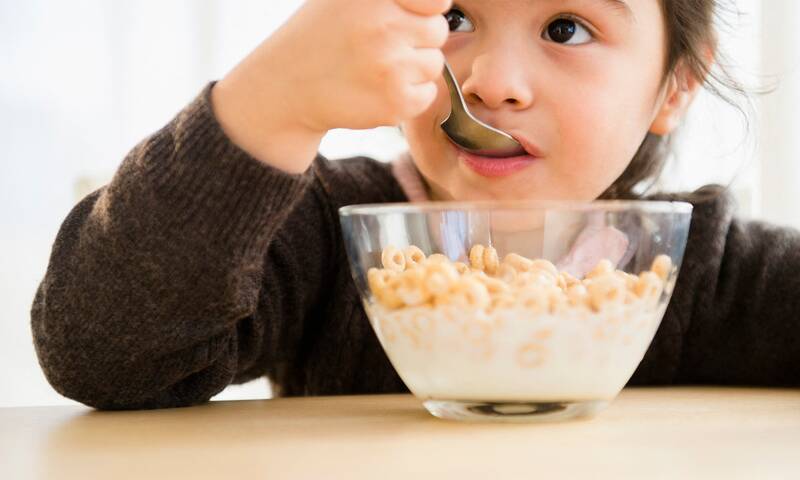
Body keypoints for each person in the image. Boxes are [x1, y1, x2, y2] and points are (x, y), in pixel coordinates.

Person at [31, 0, 800, 410]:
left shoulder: (695, 271)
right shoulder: (322, 231)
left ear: (677, 84)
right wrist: (270, 102)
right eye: (454, 18)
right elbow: (103, 356)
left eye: (566, 28)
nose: (495, 82)